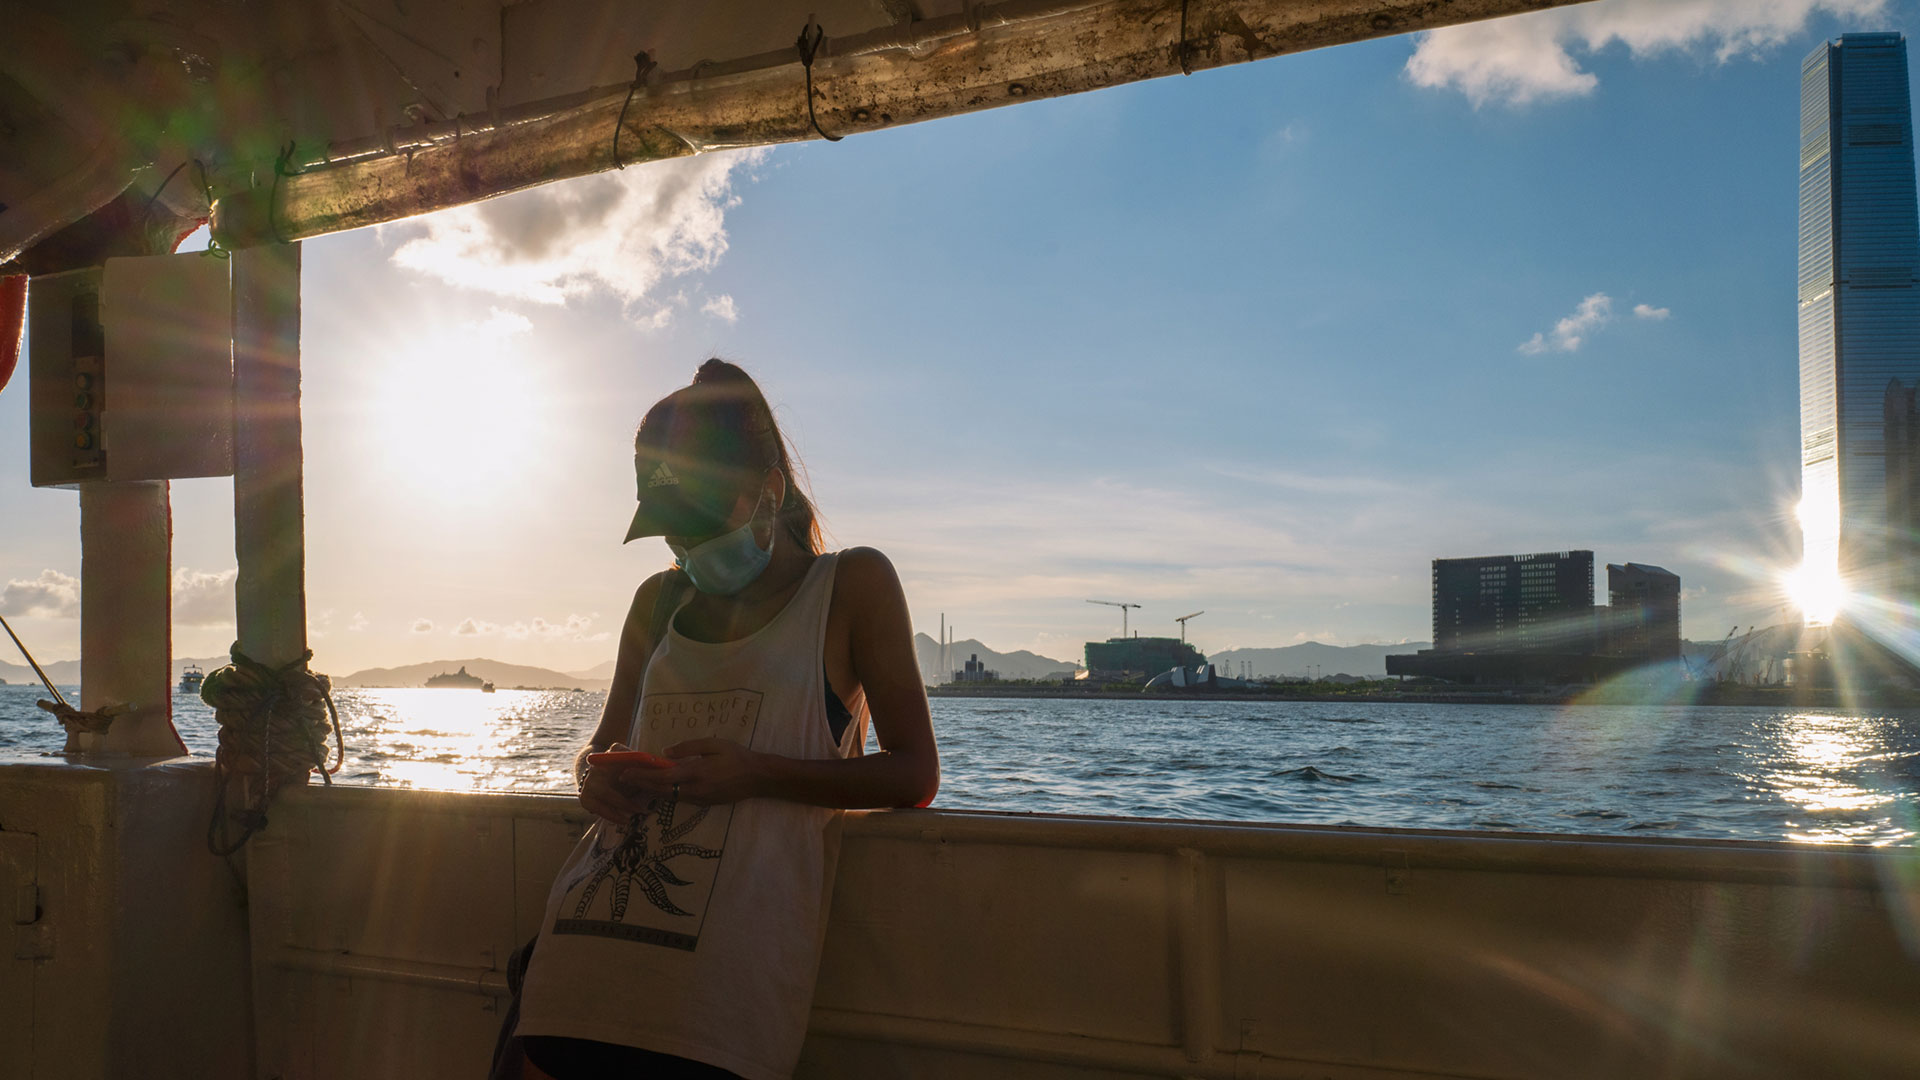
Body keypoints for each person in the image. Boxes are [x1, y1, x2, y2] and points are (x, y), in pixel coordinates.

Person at [510, 359, 940, 1080]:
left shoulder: (851, 585)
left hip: (721, 1008)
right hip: (578, 973)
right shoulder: (656, 602)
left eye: (704, 523)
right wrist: (595, 779)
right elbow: (598, 748)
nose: (689, 549)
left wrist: (757, 773)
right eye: (672, 530)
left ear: (769, 493)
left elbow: (914, 774)